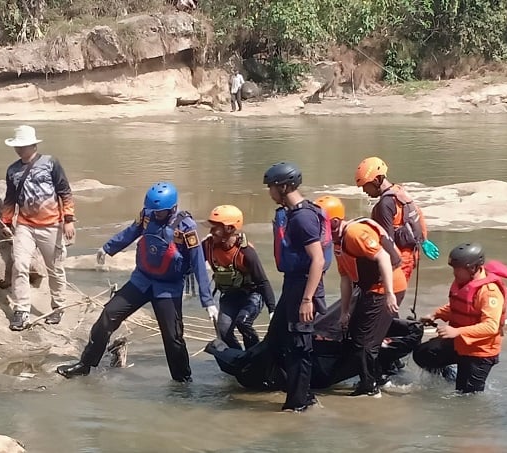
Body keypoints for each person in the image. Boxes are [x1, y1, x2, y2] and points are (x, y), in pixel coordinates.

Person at [56, 182, 216, 382]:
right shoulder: (147, 216)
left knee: (173, 338)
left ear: (172, 209)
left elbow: (198, 263)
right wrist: (108, 248)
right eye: (155, 211)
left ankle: (182, 381)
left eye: (161, 212)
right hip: (141, 280)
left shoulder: (186, 228)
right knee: (108, 315)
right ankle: (86, 364)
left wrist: (207, 301)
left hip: (168, 288)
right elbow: (131, 232)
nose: (157, 215)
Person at [314, 195, 406, 398]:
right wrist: (345, 312)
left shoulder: (355, 234)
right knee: (356, 335)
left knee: (365, 342)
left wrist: (390, 294)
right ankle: (379, 375)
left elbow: (383, 257)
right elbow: (346, 278)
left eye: (320, 224)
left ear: (335, 222)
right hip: (368, 288)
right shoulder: (337, 243)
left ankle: (370, 387)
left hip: (385, 287)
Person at [263, 162, 333, 412]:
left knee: (299, 346)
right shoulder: (294, 213)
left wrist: (307, 300)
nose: (269, 192)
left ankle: (299, 403)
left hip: (304, 286)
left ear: (283, 187)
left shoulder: (302, 218)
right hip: (293, 285)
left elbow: (318, 259)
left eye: (271, 187)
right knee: (279, 337)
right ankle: (297, 391)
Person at [1, 125, 75, 331]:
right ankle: (21, 310)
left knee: (55, 268)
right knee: (20, 264)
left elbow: (65, 192)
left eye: (23, 146)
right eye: (18, 146)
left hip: (51, 224)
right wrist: (7, 222)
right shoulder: (12, 170)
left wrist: (68, 219)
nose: (20, 150)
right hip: (24, 225)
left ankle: (58, 306)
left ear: (33, 144)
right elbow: (10, 199)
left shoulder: (50, 163)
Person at [414, 243, 507, 393]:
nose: (454, 273)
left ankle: (464, 380)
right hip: (459, 342)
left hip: (479, 352)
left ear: (472, 268)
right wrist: (436, 314)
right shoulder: (462, 282)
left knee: (465, 397)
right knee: (423, 354)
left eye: (457, 269)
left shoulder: (489, 292)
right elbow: (458, 306)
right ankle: (450, 377)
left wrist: (457, 332)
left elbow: (491, 326)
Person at [354, 157, 440, 288]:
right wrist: (424, 240)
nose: (364, 191)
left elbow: (387, 239)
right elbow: (418, 214)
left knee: (389, 299)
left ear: (377, 180)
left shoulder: (385, 205)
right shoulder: (399, 191)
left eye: (366, 186)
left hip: (399, 260)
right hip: (412, 254)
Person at [202, 205, 277, 350]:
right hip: (230, 296)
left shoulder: (246, 252)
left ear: (229, 229)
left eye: (216, 227)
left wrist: (272, 310)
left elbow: (262, 281)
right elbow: (193, 264)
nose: (211, 231)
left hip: (252, 295)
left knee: (243, 322)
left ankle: (255, 355)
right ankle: (238, 358)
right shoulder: (207, 246)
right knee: (223, 331)